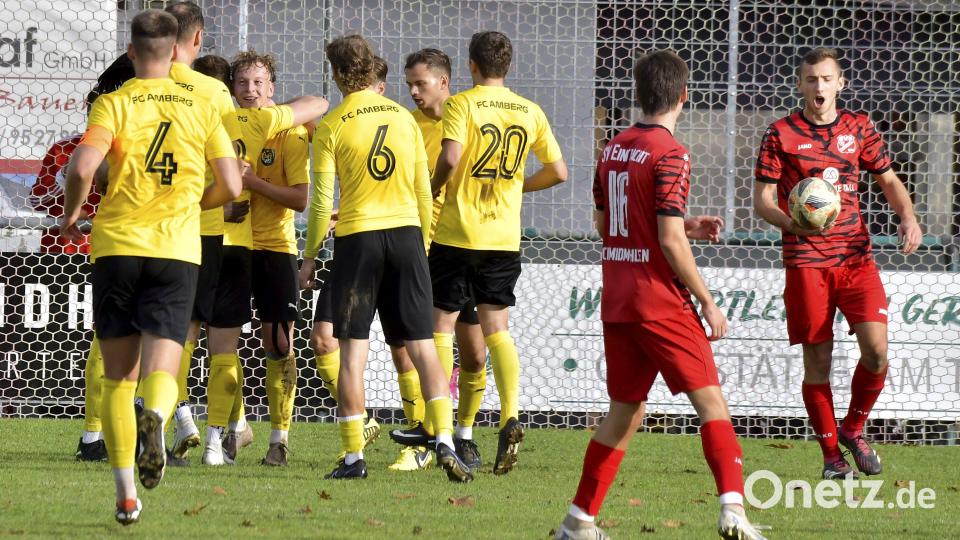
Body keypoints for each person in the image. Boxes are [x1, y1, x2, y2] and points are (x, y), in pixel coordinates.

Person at [554, 49, 765, 540]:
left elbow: (609, 224)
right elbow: (667, 241)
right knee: (712, 404)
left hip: (618, 297)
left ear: (638, 94)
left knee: (625, 410)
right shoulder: (672, 153)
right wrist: (707, 300)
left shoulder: (613, 148)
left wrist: (684, 224)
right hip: (659, 300)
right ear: (683, 96)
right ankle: (733, 510)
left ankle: (577, 521)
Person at [60, 9, 242, 524]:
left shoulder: (112, 103)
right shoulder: (204, 104)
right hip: (176, 249)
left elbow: (81, 166)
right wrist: (191, 202)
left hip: (118, 246)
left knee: (119, 378)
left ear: (132, 51)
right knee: (163, 365)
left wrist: (74, 214)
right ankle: (158, 414)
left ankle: (125, 498)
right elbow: (231, 187)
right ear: (179, 48)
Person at [298, 34, 471, 482]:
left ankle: (354, 456)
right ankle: (445, 441)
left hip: (359, 240)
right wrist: (423, 246)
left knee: (353, 352)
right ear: (372, 69)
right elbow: (421, 187)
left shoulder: (333, 124)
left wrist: (311, 256)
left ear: (337, 75)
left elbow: (320, 205)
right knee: (424, 347)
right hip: (408, 236)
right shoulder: (403, 117)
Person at [393, 31, 567, 476]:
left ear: (470, 66)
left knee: (440, 329)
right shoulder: (530, 110)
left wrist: (431, 189)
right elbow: (559, 172)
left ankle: (442, 431)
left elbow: (450, 159)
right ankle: (510, 413)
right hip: (504, 238)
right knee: (498, 332)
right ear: (506, 66)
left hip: (456, 234)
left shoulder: (462, 104)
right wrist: (518, 186)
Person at [753, 47, 922, 479]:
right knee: (818, 363)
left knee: (877, 350)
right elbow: (762, 201)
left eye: (826, 79)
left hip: (855, 258)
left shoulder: (858, 128)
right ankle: (831, 459)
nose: (819, 87)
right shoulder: (781, 134)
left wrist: (907, 218)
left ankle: (853, 428)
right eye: (811, 79)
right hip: (806, 261)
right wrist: (792, 222)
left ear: (839, 83)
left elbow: (887, 179)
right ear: (800, 85)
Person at [202, 49, 329, 467]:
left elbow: (300, 199)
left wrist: (252, 183)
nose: (250, 90)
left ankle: (280, 437)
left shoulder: (288, 133)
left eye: (258, 83)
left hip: (276, 246)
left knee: (277, 343)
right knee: (222, 342)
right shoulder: (223, 126)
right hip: (232, 246)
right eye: (242, 83)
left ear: (272, 89)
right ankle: (237, 426)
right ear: (231, 88)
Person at [159, 0, 246, 465]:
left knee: (168, 335)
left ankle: (175, 421)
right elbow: (228, 164)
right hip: (206, 227)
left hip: (153, 226)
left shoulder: (139, 85)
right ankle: (215, 442)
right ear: (198, 38)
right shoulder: (212, 93)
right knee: (218, 338)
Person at [399, 47, 489, 471]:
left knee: (472, 353)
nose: (414, 92)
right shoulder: (406, 125)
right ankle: (434, 433)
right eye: (410, 85)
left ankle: (465, 433)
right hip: (420, 250)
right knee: (418, 343)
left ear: (444, 81)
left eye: (421, 83)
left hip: (463, 244)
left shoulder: (467, 115)